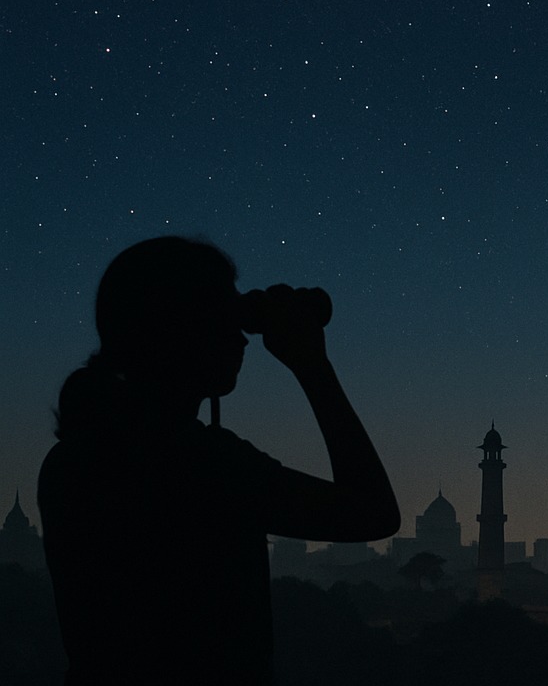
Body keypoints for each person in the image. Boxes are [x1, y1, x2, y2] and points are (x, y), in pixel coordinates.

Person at [38, 236, 400, 685]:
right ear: (181, 333)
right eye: (225, 319)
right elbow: (373, 513)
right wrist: (312, 366)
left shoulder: (74, 456)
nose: (242, 338)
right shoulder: (196, 463)